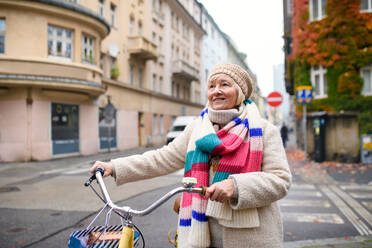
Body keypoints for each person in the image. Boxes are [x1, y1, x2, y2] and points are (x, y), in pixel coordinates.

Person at [90, 63, 292, 248]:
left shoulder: (264, 131)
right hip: (200, 237)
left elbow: (280, 180)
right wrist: (114, 167)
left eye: (224, 84)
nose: (216, 91)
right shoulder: (198, 128)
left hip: (251, 239)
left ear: (239, 92)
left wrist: (236, 186)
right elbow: (162, 158)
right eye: (211, 86)